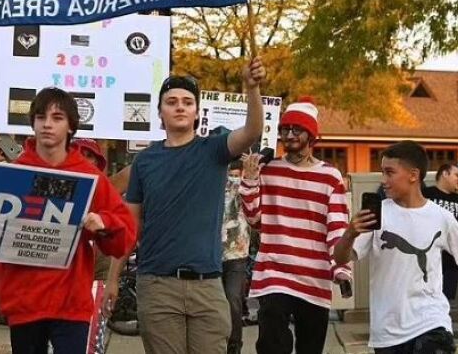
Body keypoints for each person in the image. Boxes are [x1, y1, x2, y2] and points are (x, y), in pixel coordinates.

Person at [107, 57, 265, 354]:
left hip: (208, 286)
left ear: (196, 113)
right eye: (171, 101)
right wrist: (113, 279)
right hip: (157, 285)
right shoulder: (145, 162)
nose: (180, 106)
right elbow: (130, 226)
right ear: (160, 114)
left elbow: (253, 131)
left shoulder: (215, 150)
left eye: (188, 102)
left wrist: (252, 88)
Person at [0, 87, 136, 354]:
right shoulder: (13, 174)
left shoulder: (89, 176)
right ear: (32, 123)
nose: (47, 124)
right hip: (24, 302)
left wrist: (104, 224)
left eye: (57, 117)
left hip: (70, 303)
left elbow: (125, 234)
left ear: (71, 126)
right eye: (40, 117)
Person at [335, 141, 458, 353]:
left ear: (413, 175)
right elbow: (341, 258)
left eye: (390, 173)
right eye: (382, 173)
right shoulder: (376, 215)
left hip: (432, 323)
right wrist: (350, 233)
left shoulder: (441, 217)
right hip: (387, 331)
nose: (384, 181)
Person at [241, 96, 350, 354]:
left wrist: (342, 270)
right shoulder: (269, 170)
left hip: (315, 276)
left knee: (310, 348)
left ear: (311, 135)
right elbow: (254, 219)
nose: (288, 135)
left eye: (296, 129)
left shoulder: (330, 177)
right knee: (271, 344)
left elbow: (337, 227)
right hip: (274, 272)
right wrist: (251, 178)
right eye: (284, 130)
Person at [422, 163, 458, 300]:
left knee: (445, 299)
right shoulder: (425, 195)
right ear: (445, 174)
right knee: (425, 298)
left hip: (451, 261)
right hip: (426, 259)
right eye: (457, 175)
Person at [222, 159, 251, 354]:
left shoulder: (242, 184)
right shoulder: (205, 182)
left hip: (236, 253)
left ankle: (234, 346)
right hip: (207, 253)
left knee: (233, 299)